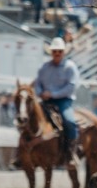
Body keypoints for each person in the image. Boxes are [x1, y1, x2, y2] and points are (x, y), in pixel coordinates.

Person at [34, 37, 80, 166]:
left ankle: (71, 152)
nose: (57, 53)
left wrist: (52, 94)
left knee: (69, 121)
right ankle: (23, 153)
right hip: (45, 100)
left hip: (63, 101)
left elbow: (71, 87)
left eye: (59, 51)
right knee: (29, 117)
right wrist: (40, 93)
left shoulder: (70, 67)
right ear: (51, 52)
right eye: (55, 51)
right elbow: (37, 83)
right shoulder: (44, 67)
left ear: (63, 52)